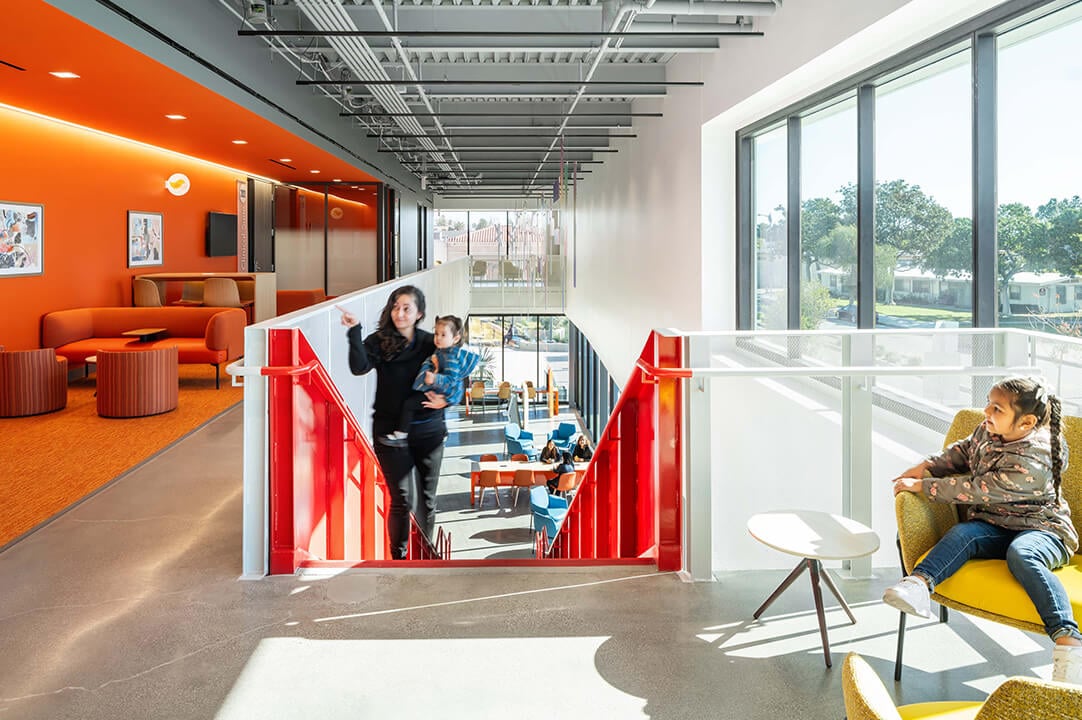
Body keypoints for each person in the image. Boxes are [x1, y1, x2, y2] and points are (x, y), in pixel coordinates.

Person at [882, 376, 1082, 683]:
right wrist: (925, 466)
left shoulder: (1037, 455)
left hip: (1043, 529)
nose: (987, 411)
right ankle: (919, 584)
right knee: (963, 535)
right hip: (994, 524)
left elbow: (979, 489)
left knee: (1022, 553)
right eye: (988, 402)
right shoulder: (987, 431)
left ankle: (1068, 640)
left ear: (1026, 422)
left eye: (997, 408)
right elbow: (959, 454)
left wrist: (925, 486)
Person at [339, 286, 449, 560]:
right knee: (402, 500)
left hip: (429, 429)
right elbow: (358, 367)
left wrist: (446, 401)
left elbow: (457, 375)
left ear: (419, 313)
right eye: (395, 307)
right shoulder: (380, 341)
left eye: (406, 308)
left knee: (427, 500)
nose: (399, 313)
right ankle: (398, 558)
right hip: (389, 432)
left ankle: (425, 553)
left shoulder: (429, 343)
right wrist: (354, 331)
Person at [383, 314, 479, 447]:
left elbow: (452, 378)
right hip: (442, 391)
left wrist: (435, 378)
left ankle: (401, 434)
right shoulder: (444, 352)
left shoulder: (450, 356)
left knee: (409, 404)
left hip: (443, 392)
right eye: (436, 334)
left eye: (443, 335)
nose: (438, 338)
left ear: (456, 338)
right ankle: (443, 432)